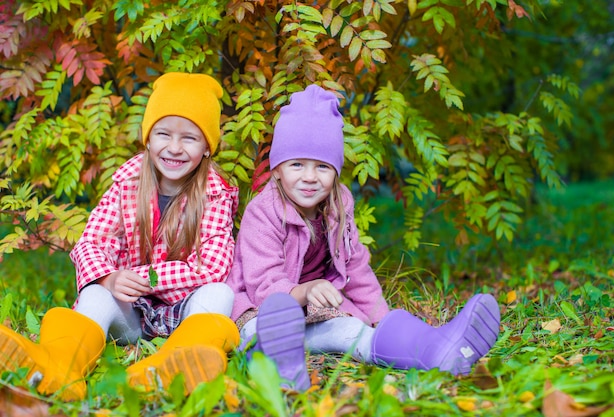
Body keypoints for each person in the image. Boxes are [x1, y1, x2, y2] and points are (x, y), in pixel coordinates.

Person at [227, 84, 501, 391]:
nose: (309, 177)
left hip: (316, 315)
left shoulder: (338, 205)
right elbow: (263, 285)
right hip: (261, 313)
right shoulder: (262, 211)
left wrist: (379, 318)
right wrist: (305, 291)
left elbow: (356, 267)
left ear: (336, 173)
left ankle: (436, 349)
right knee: (265, 327)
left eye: (322, 166)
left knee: (353, 333)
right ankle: (275, 365)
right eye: (296, 165)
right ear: (277, 170)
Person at [0, 72, 240, 401]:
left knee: (219, 293)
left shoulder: (215, 193)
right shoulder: (127, 183)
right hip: (132, 313)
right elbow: (91, 243)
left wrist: (143, 276)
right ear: (147, 138)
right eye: (163, 133)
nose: (174, 147)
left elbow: (210, 266)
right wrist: (111, 279)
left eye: (189, 138)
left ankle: (177, 360)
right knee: (97, 295)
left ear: (208, 147)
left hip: (183, 313)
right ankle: (59, 365)